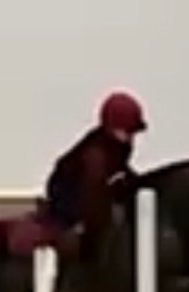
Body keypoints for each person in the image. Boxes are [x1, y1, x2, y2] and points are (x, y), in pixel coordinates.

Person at [44, 90, 147, 260]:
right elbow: (94, 191)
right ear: (111, 129)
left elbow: (120, 173)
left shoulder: (114, 148)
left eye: (132, 133)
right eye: (127, 132)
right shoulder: (95, 155)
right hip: (67, 199)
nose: (130, 139)